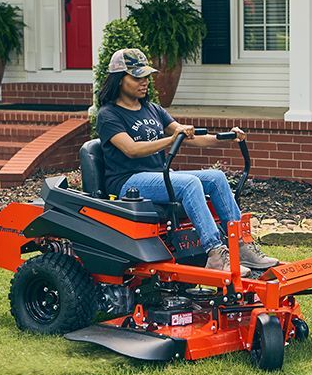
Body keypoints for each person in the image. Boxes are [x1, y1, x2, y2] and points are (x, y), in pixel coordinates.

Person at [95, 48, 279, 276]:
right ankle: (214, 253)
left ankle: (239, 245)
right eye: (137, 77)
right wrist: (170, 139)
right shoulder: (108, 115)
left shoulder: (152, 109)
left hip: (156, 176)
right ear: (119, 80)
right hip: (127, 182)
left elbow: (190, 137)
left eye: (146, 77)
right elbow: (131, 149)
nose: (144, 82)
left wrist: (227, 137)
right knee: (189, 183)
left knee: (216, 177)